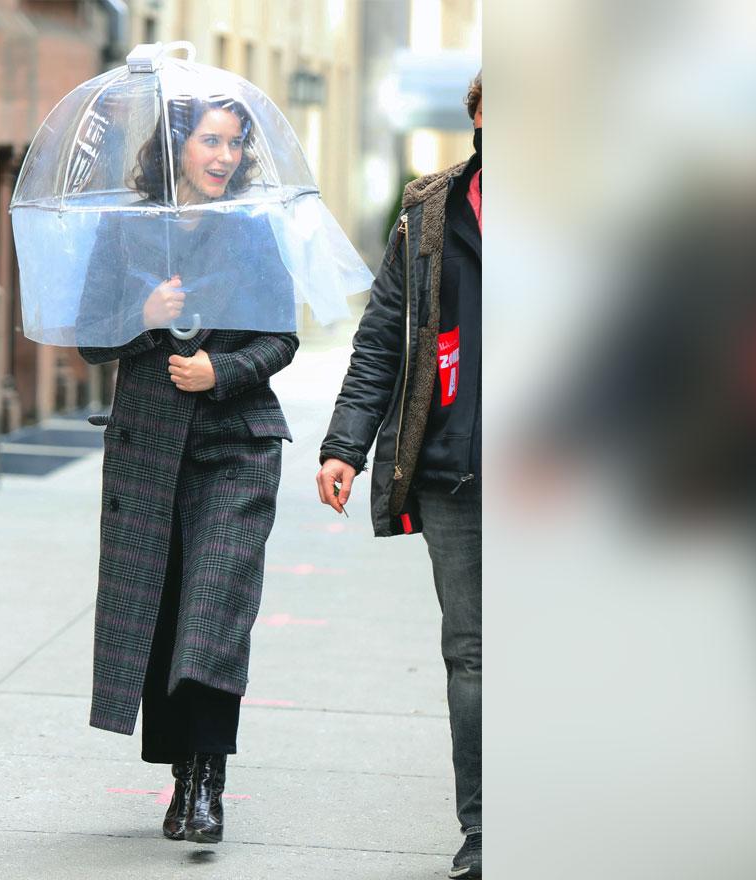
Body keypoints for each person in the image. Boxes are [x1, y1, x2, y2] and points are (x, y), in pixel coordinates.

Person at [76, 95, 299, 845]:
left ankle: (208, 783)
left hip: (235, 444)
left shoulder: (253, 231)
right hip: (148, 450)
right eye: (210, 140)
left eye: (235, 144)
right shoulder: (126, 231)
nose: (225, 156)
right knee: (165, 612)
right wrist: (139, 315)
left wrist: (223, 371)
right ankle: (181, 771)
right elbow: (88, 341)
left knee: (213, 612)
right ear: (176, 147)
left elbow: (281, 341)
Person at [315, 72, 482, 878]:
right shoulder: (428, 216)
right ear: (478, 115)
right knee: (474, 652)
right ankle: (485, 832)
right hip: (456, 469)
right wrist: (346, 444)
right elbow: (383, 338)